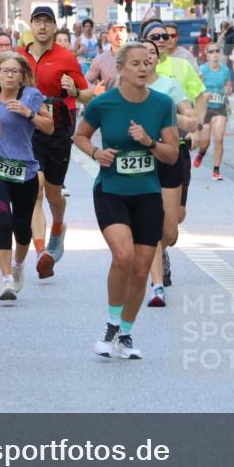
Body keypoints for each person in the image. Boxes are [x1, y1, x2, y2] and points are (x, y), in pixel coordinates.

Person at [72, 42, 179, 359]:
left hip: (147, 192)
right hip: (112, 190)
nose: (143, 68)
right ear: (119, 68)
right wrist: (95, 153)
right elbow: (80, 135)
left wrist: (149, 142)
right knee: (123, 255)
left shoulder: (162, 104)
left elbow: (171, 154)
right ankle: (111, 323)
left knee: (141, 268)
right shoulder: (103, 104)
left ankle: (126, 333)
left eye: (147, 63)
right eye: (135, 64)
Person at [18, 6, 93, 279]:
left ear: (53, 27)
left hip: (59, 128)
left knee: (53, 194)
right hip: (29, 128)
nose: (41, 27)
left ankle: (58, 227)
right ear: (31, 25)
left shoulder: (66, 58)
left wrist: (74, 91)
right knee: (34, 190)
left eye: (46, 22)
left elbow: (87, 96)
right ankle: (41, 253)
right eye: (37, 22)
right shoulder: (20, 57)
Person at [0, 52, 54, 300]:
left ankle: (18, 266)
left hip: (25, 173)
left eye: (15, 71)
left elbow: (50, 127)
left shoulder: (32, 96)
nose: (10, 75)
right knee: (4, 221)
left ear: (23, 76)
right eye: (5, 71)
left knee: (23, 229)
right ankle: (6, 280)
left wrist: (28, 113)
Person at [137, 34, 198, 306]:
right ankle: (157, 283)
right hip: (141, 159)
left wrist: (166, 113)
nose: (148, 57)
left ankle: (160, 249)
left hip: (170, 156)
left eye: (152, 52)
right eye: (143, 52)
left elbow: (192, 121)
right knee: (149, 223)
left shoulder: (169, 86)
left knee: (169, 232)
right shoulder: (128, 88)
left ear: (157, 58)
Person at [196, 42, 232, 180]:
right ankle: (201, 153)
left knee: (219, 139)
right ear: (207, 54)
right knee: (205, 142)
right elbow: (196, 90)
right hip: (205, 109)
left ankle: (216, 170)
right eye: (211, 51)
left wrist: (228, 90)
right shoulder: (202, 70)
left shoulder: (225, 70)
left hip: (219, 108)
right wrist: (204, 95)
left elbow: (229, 85)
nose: (214, 53)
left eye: (217, 51)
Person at [86, 21, 127, 94]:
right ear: (108, 37)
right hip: (110, 103)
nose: (118, 34)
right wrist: (94, 89)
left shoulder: (138, 56)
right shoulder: (100, 60)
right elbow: (84, 81)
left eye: (121, 30)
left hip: (134, 103)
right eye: (114, 31)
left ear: (126, 35)